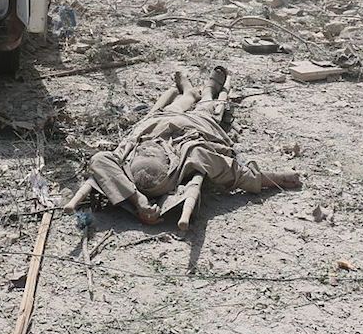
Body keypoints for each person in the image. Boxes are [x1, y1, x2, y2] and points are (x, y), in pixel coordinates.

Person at [84, 67, 301, 224]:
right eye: (152, 153)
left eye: (146, 152)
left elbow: (99, 160)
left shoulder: (128, 162)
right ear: (169, 163)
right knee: (206, 109)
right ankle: (207, 92)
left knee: (179, 103)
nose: (148, 148)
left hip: (158, 123)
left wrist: (136, 196)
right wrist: (279, 179)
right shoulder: (193, 154)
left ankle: (189, 91)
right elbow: (240, 175)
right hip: (195, 125)